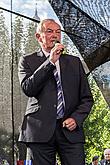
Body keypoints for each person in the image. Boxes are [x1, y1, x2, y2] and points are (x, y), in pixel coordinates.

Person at [18, 18, 93, 165]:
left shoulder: (74, 62)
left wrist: (76, 119)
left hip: (70, 132)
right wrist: (50, 62)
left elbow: (87, 98)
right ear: (39, 37)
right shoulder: (27, 60)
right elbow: (28, 88)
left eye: (58, 32)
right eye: (49, 31)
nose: (55, 35)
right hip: (39, 131)